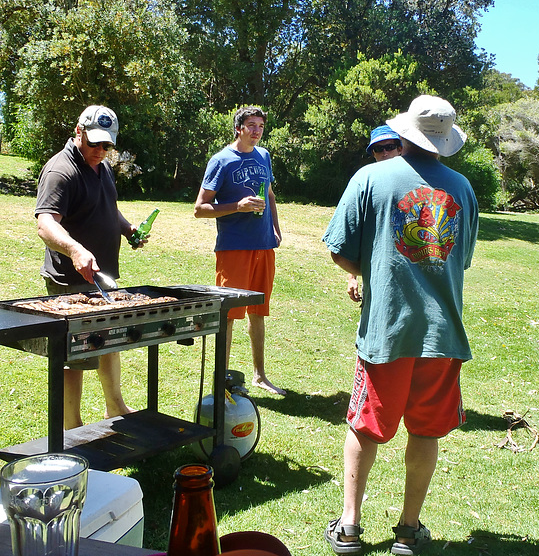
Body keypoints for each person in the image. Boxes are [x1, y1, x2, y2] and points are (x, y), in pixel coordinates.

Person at [322, 95, 479, 555]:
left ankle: (349, 528)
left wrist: (367, 273)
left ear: (405, 132)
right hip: (443, 334)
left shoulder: (371, 177)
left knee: (364, 426)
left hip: (386, 332)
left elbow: (339, 248)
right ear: (444, 140)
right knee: (426, 430)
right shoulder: (463, 189)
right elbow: (460, 257)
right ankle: (409, 530)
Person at [35, 104, 140, 429]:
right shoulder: (60, 171)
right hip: (71, 280)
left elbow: (107, 207)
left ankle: (115, 407)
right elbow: (45, 224)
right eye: (94, 143)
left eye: (107, 144)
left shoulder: (102, 167)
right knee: (74, 358)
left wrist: (127, 229)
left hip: (102, 277)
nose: (100, 150)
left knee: (110, 340)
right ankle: (71, 427)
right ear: (78, 132)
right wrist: (75, 250)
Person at [194, 105, 285, 395]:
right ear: (238, 128)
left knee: (258, 312)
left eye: (260, 125)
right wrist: (238, 206)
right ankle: (220, 379)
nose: (256, 130)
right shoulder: (222, 161)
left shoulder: (264, 156)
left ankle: (259, 375)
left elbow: (269, 194)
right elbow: (200, 209)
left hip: (263, 246)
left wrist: (276, 229)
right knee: (230, 313)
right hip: (234, 248)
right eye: (251, 125)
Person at [347, 126, 403, 303]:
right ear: (373, 153)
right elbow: (356, 235)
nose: (385, 153)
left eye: (390, 147)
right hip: (375, 279)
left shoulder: (415, 181)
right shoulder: (365, 183)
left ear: (400, 148)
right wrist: (352, 277)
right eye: (378, 149)